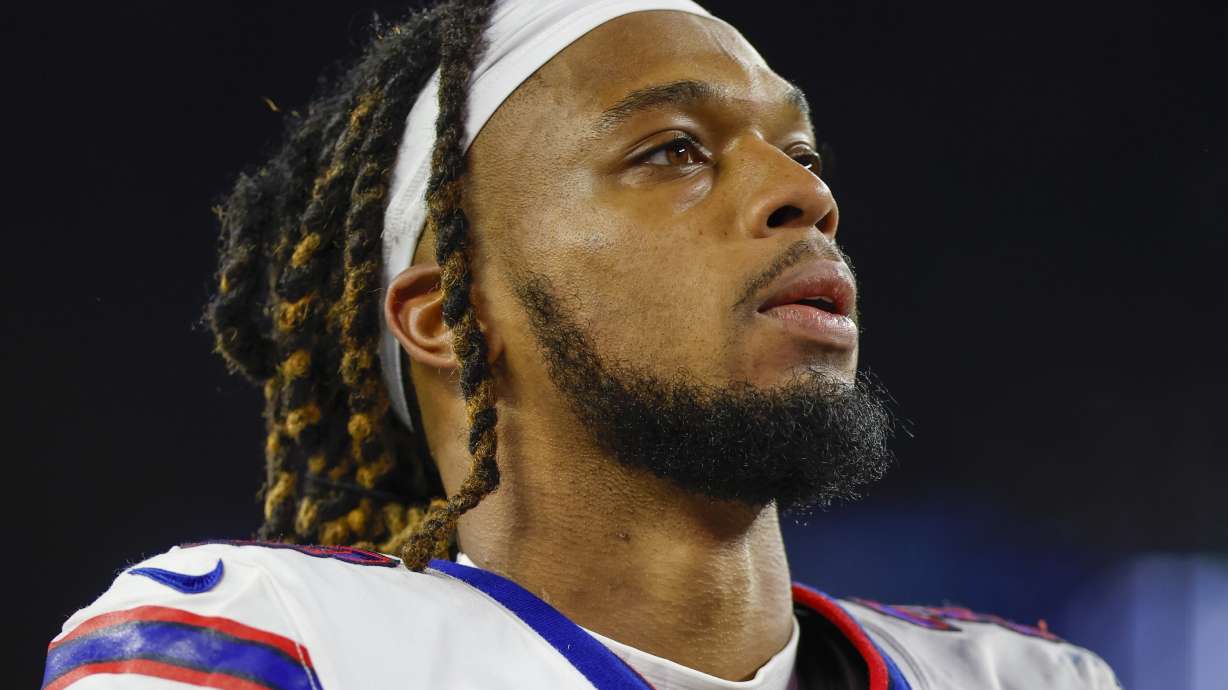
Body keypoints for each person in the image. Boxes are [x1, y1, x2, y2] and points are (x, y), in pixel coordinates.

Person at [43, 1, 1121, 688]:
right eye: (671, 151)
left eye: (797, 149)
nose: (805, 194)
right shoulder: (275, 643)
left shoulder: (1027, 676)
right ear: (446, 314)